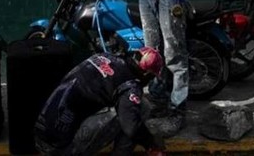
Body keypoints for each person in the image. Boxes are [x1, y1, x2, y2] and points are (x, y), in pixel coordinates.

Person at [34, 47, 167, 156]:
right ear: (146, 74)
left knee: (124, 108)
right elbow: (131, 127)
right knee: (140, 109)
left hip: (40, 137)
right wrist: (151, 144)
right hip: (60, 149)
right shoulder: (129, 86)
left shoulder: (103, 56)